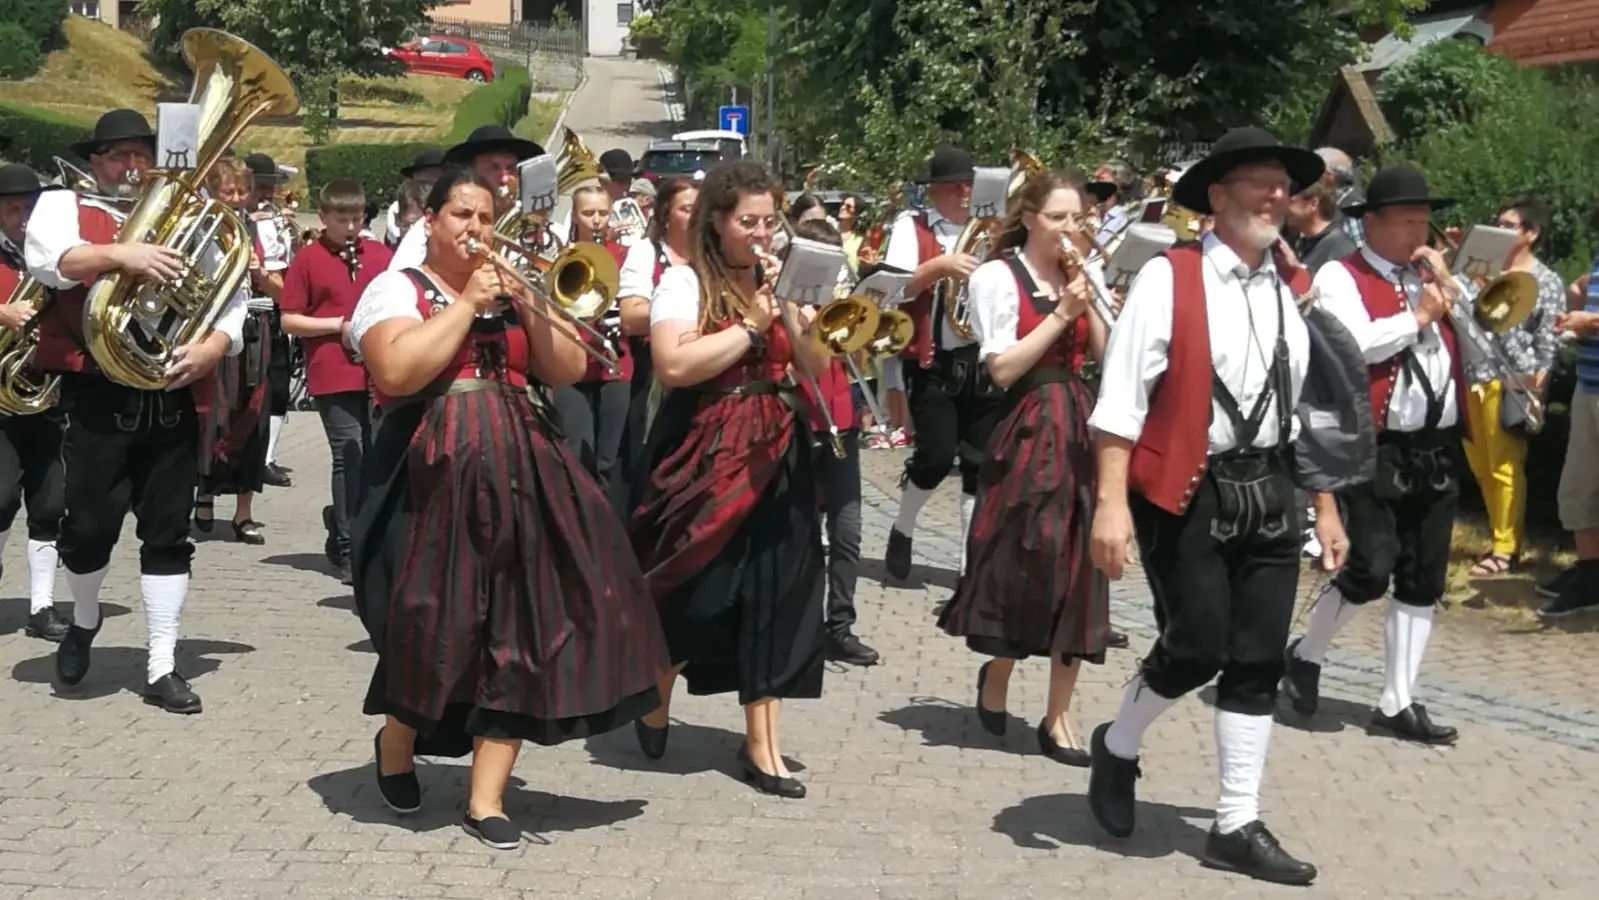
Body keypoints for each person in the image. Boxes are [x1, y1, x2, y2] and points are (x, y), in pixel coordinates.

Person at [349, 169, 668, 850]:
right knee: (432, 626)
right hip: (430, 471)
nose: (476, 229)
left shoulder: (509, 284)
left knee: (527, 626)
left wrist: (531, 303)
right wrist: (464, 305)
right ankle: (396, 743)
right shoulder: (395, 288)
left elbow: (561, 369)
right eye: (462, 214)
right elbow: (397, 374)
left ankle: (486, 797)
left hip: (521, 465)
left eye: (487, 217)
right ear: (428, 222)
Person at [1086, 127, 1345, 885]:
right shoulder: (1170, 277)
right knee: (1196, 646)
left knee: (1258, 657)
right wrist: (1110, 506)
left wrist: (1324, 508)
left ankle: (1234, 822)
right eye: (1260, 183)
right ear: (1218, 197)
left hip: (1271, 488)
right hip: (1186, 490)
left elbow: (1304, 412)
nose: (1276, 196)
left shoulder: (1286, 287)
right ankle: (1119, 742)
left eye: (1282, 185)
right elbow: (1118, 404)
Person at [25, 108, 247, 713]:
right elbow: (50, 260)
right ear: (95, 162)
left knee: (169, 532)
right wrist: (125, 256)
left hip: (169, 388)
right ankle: (86, 619)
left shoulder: (193, 217)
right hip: (96, 391)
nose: (131, 166)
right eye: (118, 156)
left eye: (140, 155)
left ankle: (161, 663)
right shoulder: (64, 204)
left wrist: (213, 346)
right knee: (88, 531)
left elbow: (231, 295)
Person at [628, 161, 829, 799]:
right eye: (749, 222)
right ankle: (658, 681)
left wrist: (798, 318)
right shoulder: (685, 281)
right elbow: (675, 363)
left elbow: (815, 368)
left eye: (771, 221)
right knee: (701, 588)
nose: (762, 233)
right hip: (711, 446)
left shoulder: (780, 283)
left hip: (780, 442)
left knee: (781, 590)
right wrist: (749, 327)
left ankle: (762, 747)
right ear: (717, 220)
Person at [1281, 166, 1472, 747]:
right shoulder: (1341, 273)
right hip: (1375, 444)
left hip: (1433, 444)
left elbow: (1476, 336)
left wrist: (1454, 296)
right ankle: (1306, 654)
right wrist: (1418, 316)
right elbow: (1351, 345)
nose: (1423, 232)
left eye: (1425, 220)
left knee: (1423, 576)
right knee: (1369, 569)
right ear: (1377, 222)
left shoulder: (1430, 276)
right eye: (1411, 220)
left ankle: (1398, 701)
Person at [939, 168, 1110, 765]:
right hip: (1030, 421)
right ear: (1031, 218)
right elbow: (1003, 369)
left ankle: (1058, 717)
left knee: (1081, 569)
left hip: (1082, 420)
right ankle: (999, 671)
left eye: (1077, 217)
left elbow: (1106, 358)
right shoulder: (997, 275)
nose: (1070, 228)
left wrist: (1094, 298)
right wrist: (1062, 314)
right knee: (1026, 559)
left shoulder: (1080, 273)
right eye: (1059, 217)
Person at [880, 146, 1000, 581]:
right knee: (934, 457)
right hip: (933, 359)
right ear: (938, 192)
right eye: (956, 187)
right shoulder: (910, 227)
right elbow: (894, 290)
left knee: (978, 464)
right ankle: (902, 528)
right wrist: (940, 266)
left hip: (983, 359)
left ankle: (968, 573)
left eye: (969, 186)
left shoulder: (993, 228)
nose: (965, 194)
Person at [278, 180, 394, 583]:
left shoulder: (380, 255)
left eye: (356, 219)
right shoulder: (308, 259)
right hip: (332, 367)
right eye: (340, 219)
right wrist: (336, 325)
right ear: (323, 217)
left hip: (378, 368)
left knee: (377, 452)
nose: (349, 227)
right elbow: (289, 318)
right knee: (350, 453)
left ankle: (352, 525)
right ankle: (349, 547)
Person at [1458, 197, 1564, 577]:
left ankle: (1506, 548)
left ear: (1530, 233)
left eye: (1508, 225)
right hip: (1470, 375)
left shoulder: (1545, 280)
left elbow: (1548, 340)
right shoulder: (1480, 269)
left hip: (1511, 379)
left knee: (1504, 465)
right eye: (1496, 223)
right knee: (1481, 465)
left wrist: (1538, 387)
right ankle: (1497, 537)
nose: (1498, 230)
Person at [793, 218, 878, 667]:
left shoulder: (839, 305)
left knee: (847, 534)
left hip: (841, 424)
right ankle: (801, 626)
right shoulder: (788, 305)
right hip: (800, 424)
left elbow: (860, 361)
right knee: (803, 532)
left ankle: (839, 626)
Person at [0, 162, 68, 641]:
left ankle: (42, 605)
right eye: (10, 209)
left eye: (27, 208)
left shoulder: (51, 256)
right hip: (0, 401)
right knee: (0, 498)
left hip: (47, 398)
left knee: (50, 503)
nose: (20, 217)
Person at [194, 157, 273, 543]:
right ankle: (204, 493)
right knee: (214, 414)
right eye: (229, 191)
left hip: (254, 327)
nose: (238, 199)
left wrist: (261, 273)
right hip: (212, 327)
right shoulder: (198, 225)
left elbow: (278, 285)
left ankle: (244, 511)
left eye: (243, 191)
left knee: (253, 415)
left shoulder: (255, 228)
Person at [612, 177, 697, 514]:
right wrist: (682, 311)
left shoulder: (714, 258)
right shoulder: (647, 252)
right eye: (687, 209)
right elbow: (631, 317)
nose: (697, 216)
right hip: (654, 380)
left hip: (702, 376)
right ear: (665, 215)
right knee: (645, 471)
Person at [551, 183, 634, 489]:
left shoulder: (625, 254)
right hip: (571, 364)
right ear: (574, 215)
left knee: (606, 461)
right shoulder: (561, 255)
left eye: (603, 212)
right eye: (588, 213)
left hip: (615, 363)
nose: (597, 220)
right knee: (575, 454)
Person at [390, 126, 541, 273]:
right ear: (471, 173)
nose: (505, 178)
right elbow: (398, 284)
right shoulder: (433, 228)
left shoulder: (536, 225)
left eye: (511, 169)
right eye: (493, 167)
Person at [241, 153, 294, 488]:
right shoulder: (252, 222)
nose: (267, 193)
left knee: (279, 388)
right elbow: (267, 275)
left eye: (270, 186)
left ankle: (267, 457)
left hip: (275, 310)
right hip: (253, 311)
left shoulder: (272, 221)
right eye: (260, 186)